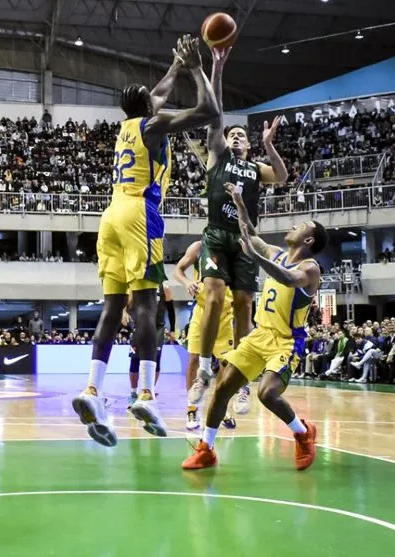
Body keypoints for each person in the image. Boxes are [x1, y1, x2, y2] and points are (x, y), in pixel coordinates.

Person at [71, 34, 220, 446]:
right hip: (140, 212)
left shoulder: (127, 126)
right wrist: (195, 69)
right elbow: (210, 110)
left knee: (111, 307)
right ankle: (147, 394)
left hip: (111, 215)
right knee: (147, 307)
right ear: (150, 108)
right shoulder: (155, 124)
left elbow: (158, 91)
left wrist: (175, 64)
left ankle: (92, 391)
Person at [182, 183, 326, 471]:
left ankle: (302, 433)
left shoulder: (310, 269)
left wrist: (256, 257)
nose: (294, 225)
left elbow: (287, 278)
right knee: (223, 388)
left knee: (267, 393)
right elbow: (249, 231)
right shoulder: (274, 252)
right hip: (259, 335)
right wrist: (238, 201)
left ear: (308, 240)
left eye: (301, 225)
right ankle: (206, 448)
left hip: (286, 341)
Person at [188, 44, 288, 407]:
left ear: (248, 143)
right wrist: (217, 67)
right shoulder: (217, 154)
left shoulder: (255, 168)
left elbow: (281, 175)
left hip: (246, 240)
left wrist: (268, 144)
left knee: (244, 303)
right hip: (216, 234)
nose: (235, 137)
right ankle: (203, 368)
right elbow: (215, 112)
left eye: (241, 136)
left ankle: (241, 381)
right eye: (232, 135)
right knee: (214, 297)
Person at [173, 240, 247, 431]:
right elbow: (178, 270)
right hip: (202, 311)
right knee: (194, 359)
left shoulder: (237, 248)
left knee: (225, 363)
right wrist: (187, 282)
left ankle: (219, 406)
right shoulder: (198, 247)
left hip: (225, 315)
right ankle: (192, 408)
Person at [123, 284, 175, 409]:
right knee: (134, 360)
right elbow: (125, 301)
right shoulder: (136, 284)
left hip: (157, 327)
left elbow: (171, 310)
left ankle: (149, 392)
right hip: (139, 325)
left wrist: (172, 330)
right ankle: (134, 393)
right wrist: (123, 311)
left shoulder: (165, 288)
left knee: (155, 360)